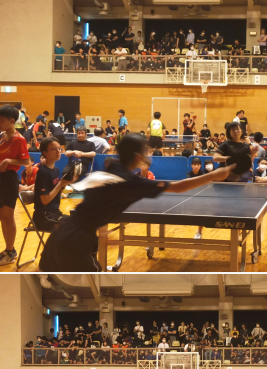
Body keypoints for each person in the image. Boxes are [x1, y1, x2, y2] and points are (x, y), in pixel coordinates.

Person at [39, 133, 235, 271]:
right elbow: (178, 187)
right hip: (76, 240)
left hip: (62, 231)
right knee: (94, 288)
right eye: (144, 151)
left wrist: (102, 229)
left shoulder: (111, 167)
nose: (147, 154)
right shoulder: (132, 183)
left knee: (47, 279)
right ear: (137, 156)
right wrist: (214, 175)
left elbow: (99, 197)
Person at [0, 105, 31, 265]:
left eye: (2, 121)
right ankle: (7, 250)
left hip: (9, 179)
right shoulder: (1, 136)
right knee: (1, 216)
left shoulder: (19, 139)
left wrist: (8, 161)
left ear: (12, 121)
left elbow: (26, 161)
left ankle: (10, 251)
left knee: (7, 215)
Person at [33, 137, 76, 232]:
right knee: (72, 229)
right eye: (54, 149)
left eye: (59, 148)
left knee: (79, 223)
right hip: (44, 216)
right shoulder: (43, 172)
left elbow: (56, 195)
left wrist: (65, 183)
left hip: (55, 213)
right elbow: (45, 201)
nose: (58, 151)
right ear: (45, 153)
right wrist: (60, 183)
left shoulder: (55, 170)